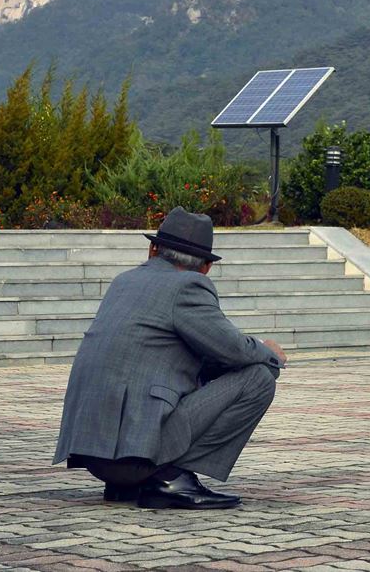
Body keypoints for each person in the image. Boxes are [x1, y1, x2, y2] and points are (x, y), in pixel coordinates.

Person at [53, 206, 286, 509]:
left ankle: (133, 484)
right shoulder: (188, 286)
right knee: (258, 378)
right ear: (206, 268)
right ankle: (170, 479)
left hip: (95, 456)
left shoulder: (124, 281)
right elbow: (234, 350)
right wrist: (269, 352)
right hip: (136, 460)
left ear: (152, 249)